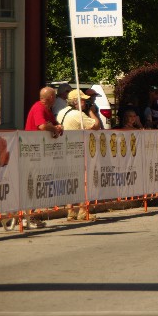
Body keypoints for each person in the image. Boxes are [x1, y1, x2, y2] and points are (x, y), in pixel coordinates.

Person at [20, 86, 63, 229]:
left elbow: (52, 122)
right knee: (31, 185)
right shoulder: (39, 108)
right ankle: (27, 217)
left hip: (39, 153)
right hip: (32, 153)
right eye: (55, 96)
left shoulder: (46, 110)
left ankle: (28, 216)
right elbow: (42, 126)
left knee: (36, 185)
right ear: (50, 97)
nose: (56, 98)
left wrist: (58, 126)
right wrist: (55, 128)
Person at [56, 89, 100, 221]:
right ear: (76, 102)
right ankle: (82, 210)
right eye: (83, 100)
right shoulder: (78, 115)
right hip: (77, 152)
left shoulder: (61, 112)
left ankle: (70, 211)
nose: (85, 102)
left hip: (65, 152)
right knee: (82, 182)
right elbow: (96, 125)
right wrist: (91, 112)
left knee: (70, 181)